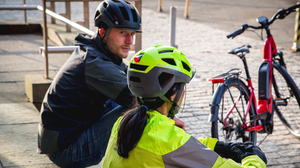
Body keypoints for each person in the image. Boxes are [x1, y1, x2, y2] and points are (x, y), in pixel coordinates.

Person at [102, 45, 268, 168]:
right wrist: (255, 158)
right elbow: (176, 147)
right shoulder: (167, 140)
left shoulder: (124, 124)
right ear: (173, 92)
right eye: (183, 87)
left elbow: (180, 148)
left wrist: (218, 146)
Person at [37, 0, 142, 167]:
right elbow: (138, 97)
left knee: (132, 102)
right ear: (103, 31)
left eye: (133, 34)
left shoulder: (98, 50)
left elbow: (131, 77)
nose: (130, 41)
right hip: (66, 151)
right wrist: (169, 117)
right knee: (138, 111)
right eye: (123, 33)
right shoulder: (95, 63)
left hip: (64, 136)